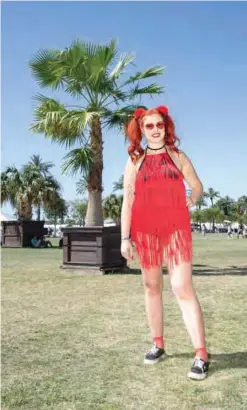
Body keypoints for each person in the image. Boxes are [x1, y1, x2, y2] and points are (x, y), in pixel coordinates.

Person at [121, 105, 209, 380]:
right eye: (150, 126)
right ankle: (157, 344)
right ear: (141, 130)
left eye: (160, 125)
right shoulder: (135, 160)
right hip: (144, 231)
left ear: (166, 127)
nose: (156, 130)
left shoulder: (178, 156)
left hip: (175, 230)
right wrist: (125, 238)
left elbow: (197, 186)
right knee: (151, 287)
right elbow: (128, 200)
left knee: (181, 287)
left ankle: (201, 355)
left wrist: (192, 199)